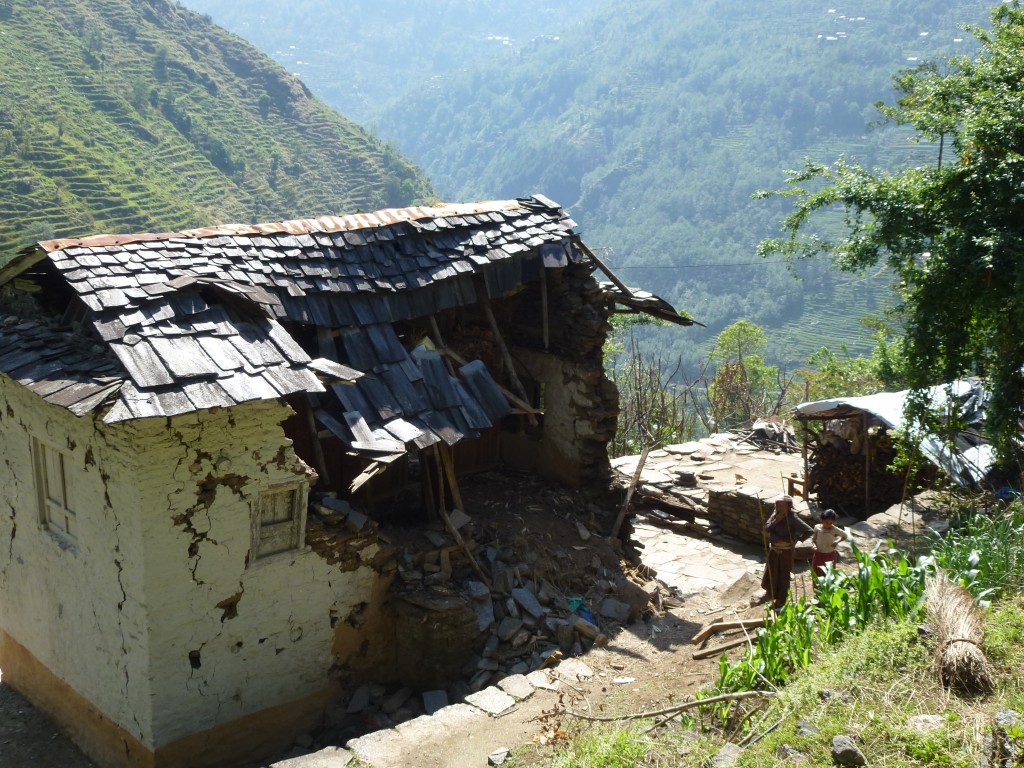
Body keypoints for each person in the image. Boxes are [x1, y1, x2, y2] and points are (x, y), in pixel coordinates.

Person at [759, 494, 812, 611]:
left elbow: (809, 531)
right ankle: (772, 594)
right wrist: (775, 522)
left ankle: (781, 601)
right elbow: (767, 528)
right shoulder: (775, 515)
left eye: (782, 504)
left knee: (783, 575)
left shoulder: (792, 518)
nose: (779, 506)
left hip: (785, 552)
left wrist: (795, 540)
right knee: (772, 572)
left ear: (788, 506)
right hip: (774, 549)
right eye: (778, 504)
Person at [811, 508, 848, 589]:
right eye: (826, 522)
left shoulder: (834, 529)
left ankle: (828, 590)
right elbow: (813, 539)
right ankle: (818, 591)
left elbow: (845, 535)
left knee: (829, 573)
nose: (828, 525)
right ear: (822, 520)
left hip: (830, 554)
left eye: (831, 523)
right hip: (818, 554)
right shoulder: (817, 528)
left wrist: (837, 542)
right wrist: (814, 546)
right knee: (817, 572)